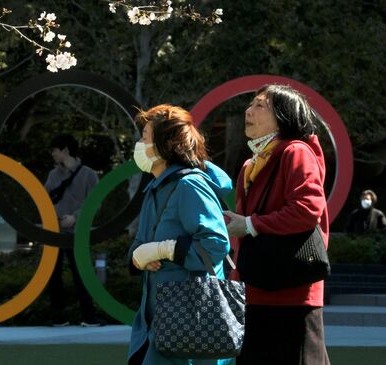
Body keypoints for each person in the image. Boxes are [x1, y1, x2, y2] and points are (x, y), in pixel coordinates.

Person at [223, 84, 330, 364]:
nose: (249, 110)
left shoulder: (296, 151)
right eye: (250, 104)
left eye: (260, 105)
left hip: (293, 294)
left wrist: (250, 225)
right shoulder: (250, 165)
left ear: (284, 115)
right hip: (255, 290)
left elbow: (307, 210)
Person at [127, 105, 233, 365]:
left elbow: (216, 245)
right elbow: (141, 244)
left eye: (145, 136)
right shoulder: (155, 188)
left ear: (167, 143)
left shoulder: (189, 184)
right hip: (158, 323)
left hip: (188, 323)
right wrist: (136, 257)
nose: (139, 144)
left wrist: (165, 249)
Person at [44, 134, 102, 327]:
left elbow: (95, 202)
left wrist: (76, 217)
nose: (52, 154)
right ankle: (58, 317)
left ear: (65, 150)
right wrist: (56, 217)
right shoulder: (54, 175)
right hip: (56, 232)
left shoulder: (88, 174)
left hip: (78, 232)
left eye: (55, 150)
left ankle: (88, 316)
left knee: (82, 274)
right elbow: (44, 199)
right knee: (54, 275)